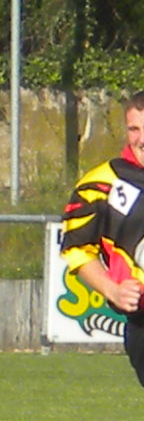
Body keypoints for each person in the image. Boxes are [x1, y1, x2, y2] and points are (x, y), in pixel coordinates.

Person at [61, 90, 144, 383]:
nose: (142, 139)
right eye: (134, 129)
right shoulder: (99, 186)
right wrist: (113, 290)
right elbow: (77, 250)